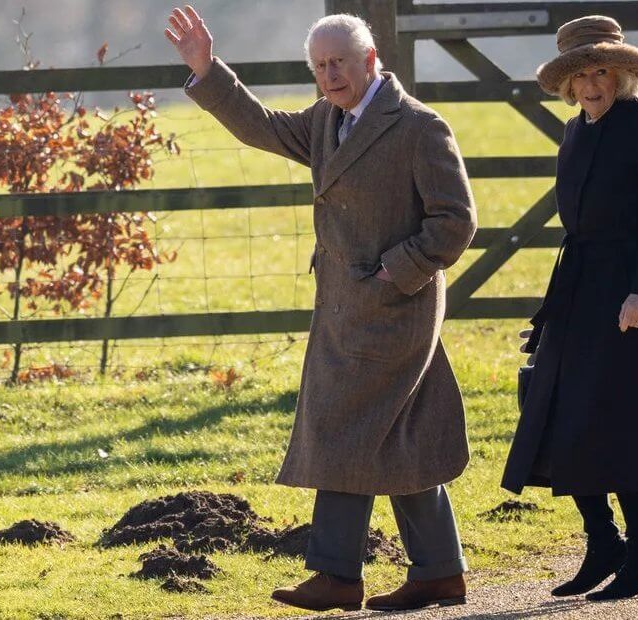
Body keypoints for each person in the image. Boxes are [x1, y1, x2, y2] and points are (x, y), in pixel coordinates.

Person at [165, 5, 477, 613]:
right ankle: (439, 571)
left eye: (339, 63)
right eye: (319, 65)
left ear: (371, 60)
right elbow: (260, 125)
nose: (329, 75)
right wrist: (208, 69)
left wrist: (397, 269)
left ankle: (337, 575)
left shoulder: (417, 127)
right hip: (342, 306)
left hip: (396, 306)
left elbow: (457, 221)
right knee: (392, 434)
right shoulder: (326, 121)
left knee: (346, 430)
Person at [500, 15, 638, 601]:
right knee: (562, 417)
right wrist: (550, 313)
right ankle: (605, 545)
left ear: (620, 74)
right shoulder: (576, 131)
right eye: (580, 75)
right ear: (567, 85)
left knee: (622, 422)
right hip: (583, 286)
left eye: (601, 72)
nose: (591, 84)